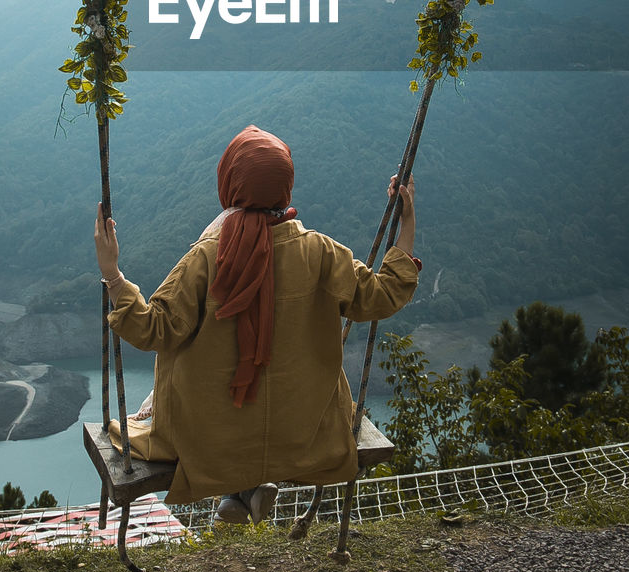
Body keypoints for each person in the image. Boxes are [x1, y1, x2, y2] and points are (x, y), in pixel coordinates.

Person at [93, 124, 419, 513]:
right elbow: (383, 295)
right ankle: (246, 491)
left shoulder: (208, 257)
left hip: (212, 438)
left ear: (229, 182)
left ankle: (241, 489)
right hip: (302, 434)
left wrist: (112, 274)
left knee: (214, 413)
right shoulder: (320, 252)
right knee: (272, 417)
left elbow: (151, 329)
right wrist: (407, 221)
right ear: (285, 186)